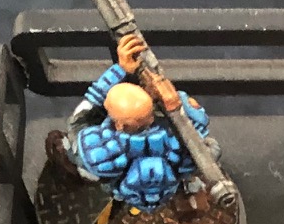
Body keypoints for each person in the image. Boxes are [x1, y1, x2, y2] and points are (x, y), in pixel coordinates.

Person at [66, 33, 220, 211]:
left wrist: (119, 71)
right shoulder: (174, 140)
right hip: (160, 188)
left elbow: (79, 120)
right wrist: (179, 103)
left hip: (136, 191)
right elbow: (211, 149)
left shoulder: (101, 146)